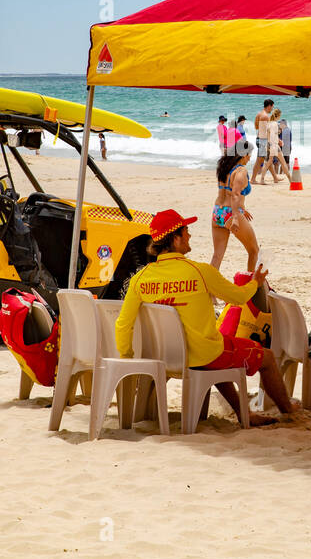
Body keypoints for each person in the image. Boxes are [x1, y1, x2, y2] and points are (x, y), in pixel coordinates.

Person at [115, 209, 296, 425]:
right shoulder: (199, 271)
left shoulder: (140, 279)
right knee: (265, 357)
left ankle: (244, 413)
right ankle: (289, 410)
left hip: (164, 357)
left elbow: (123, 324)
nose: (190, 235)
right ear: (175, 238)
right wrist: (255, 282)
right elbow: (238, 297)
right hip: (203, 354)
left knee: (217, 350)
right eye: (186, 231)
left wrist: (127, 358)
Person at [210, 143, 259, 271]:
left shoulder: (224, 168)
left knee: (217, 256)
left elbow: (228, 192)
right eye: (249, 155)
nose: (249, 158)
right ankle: (251, 287)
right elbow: (236, 195)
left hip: (217, 212)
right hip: (231, 214)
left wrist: (242, 208)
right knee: (254, 250)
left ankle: (209, 289)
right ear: (243, 155)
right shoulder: (241, 171)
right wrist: (237, 217)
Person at [263, 108, 292, 182]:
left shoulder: (269, 123)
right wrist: (275, 144)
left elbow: (268, 135)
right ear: (278, 115)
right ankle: (290, 179)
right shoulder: (275, 124)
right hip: (274, 145)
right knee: (283, 162)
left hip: (269, 144)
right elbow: (273, 136)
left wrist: (279, 140)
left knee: (268, 163)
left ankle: (263, 179)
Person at [252, 99, 274, 178]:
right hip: (262, 140)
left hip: (259, 139)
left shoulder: (259, 114)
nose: (272, 109)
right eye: (272, 107)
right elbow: (266, 131)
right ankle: (253, 179)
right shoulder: (265, 116)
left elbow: (256, 127)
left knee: (266, 160)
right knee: (259, 161)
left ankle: (275, 177)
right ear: (269, 106)